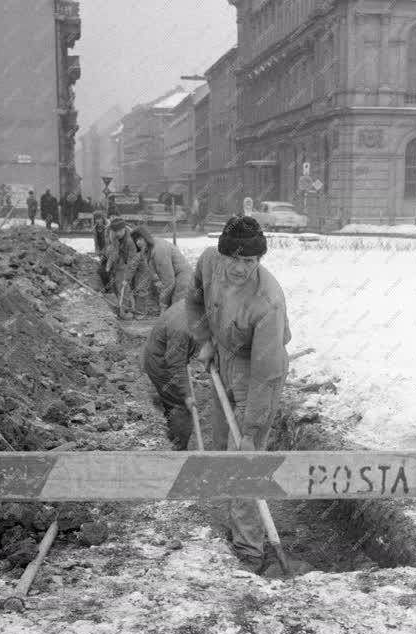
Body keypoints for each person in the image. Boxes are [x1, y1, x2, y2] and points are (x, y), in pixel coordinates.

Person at [186, 215, 310, 578]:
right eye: (235, 259)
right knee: (223, 446)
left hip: (257, 373)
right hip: (223, 356)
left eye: (250, 261)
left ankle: (250, 551)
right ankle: (234, 522)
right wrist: (205, 339)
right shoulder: (209, 262)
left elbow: (266, 375)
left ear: (259, 261)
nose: (241, 268)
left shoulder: (267, 302)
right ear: (222, 255)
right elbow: (194, 302)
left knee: (245, 458)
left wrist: (253, 428)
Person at [142, 299, 199, 450]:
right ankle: (179, 447)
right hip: (161, 365)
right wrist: (186, 394)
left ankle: (172, 429)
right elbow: (175, 364)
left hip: (161, 355)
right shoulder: (182, 327)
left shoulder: (191, 304)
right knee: (181, 405)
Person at [130, 225, 193, 310]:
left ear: (146, 237)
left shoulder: (159, 250)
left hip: (183, 278)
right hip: (174, 278)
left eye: (140, 239)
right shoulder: (148, 250)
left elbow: (169, 282)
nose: (138, 243)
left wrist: (163, 303)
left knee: (176, 307)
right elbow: (153, 275)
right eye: (136, 240)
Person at [104, 217, 150, 318]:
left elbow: (132, 263)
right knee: (121, 283)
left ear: (124, 229)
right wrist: (109, 266)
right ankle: (125, 308)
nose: (117, 233)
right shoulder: (114, 236)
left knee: (139, 287)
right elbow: (114, 252)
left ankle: (140, 312)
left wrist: (126, 278)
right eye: (115, 231)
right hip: (126, 261)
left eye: (119, 231)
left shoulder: (130, 241)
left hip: (140, 263)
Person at [93, 211, 110, 289]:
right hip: (101, 251)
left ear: (103, 219)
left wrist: (105, 251)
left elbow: (109, 241)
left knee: (107, 268)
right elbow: (96, 241)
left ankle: (109, 287)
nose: (98, 221)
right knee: (103, 268)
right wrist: (97, 250)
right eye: (96, 219)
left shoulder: (108, 227)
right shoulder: (95, 228)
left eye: (99, 219)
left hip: (109, 251)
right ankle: (106, 287)